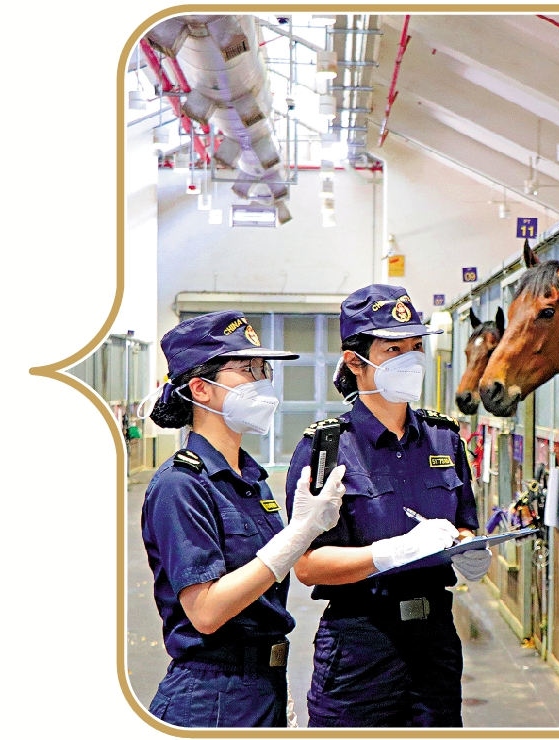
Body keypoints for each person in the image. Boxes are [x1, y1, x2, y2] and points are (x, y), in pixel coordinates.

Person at [286, 285, 492, 727]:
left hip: (435, 639)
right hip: (360, 644)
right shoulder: (326, 449)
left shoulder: (444, 438)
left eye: (417, 347)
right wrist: (392, 552)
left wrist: (471, 549)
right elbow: (306, 565)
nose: (411, 360)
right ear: (355, 361)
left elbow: (464, 525)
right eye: (394, 348)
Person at [141, 310, 347, 728]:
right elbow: (206, 611)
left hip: (263, 683)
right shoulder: (180, 485)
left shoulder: (250, 477)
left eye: (264, 368)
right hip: (212, 695)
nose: (263, 381)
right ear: (201, 389)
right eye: (247, 368)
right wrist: (301, 534)